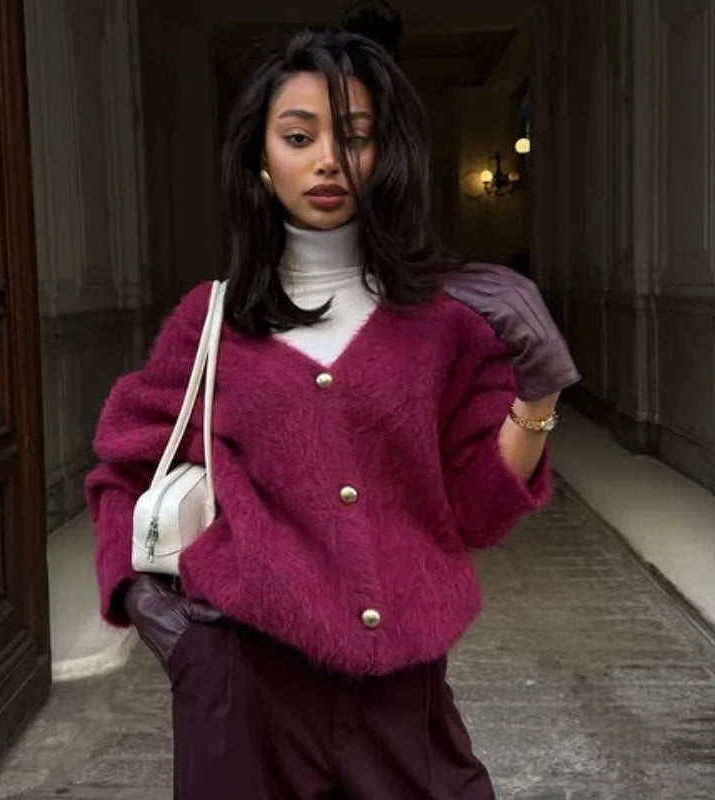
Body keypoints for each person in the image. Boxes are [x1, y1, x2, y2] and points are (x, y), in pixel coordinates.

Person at [85, 27, 580, 800]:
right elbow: (121, 470)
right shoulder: (210, 320)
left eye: (354, 138)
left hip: (402, 699)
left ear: (388, 157)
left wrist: (538, 392)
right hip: (245, 687)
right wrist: (150, 611)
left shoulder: (444, 325)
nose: (326, 161)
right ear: (260, 157)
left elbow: (478, 513)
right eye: (297, 136)